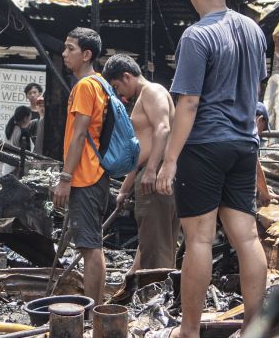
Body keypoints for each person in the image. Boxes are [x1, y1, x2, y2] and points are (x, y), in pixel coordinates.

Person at [154, 0, 269, 338]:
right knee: (247, 237)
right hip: (242, 144)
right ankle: (252, 333)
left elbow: (188, 104)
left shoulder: (197, 35)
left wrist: (169, 161)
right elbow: (256, 95)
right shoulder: (254, 31)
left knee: (199, 239)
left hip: (204, 147)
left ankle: (188, 334)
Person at [104, 54, 179, 272]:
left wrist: (152, 170)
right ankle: (137, 287)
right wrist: (124, 190)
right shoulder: (145, 97)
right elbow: (140, 152)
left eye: (117, 86)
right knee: (151, 243)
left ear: (127, 77)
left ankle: (155, 296)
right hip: (149, 174)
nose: (119, 93)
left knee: (157, 247)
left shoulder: (152, 91)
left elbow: (163, 129)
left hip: (154, 176)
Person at [51, 28, 110, 305]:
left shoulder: (86, 86)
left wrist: (65, 177)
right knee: (92, 246)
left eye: (70, 48)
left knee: (90, 247)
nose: (64, 54)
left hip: (85, 175)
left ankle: (92, 312)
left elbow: (79, 133)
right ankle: (95, 310)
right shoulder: (99, 83)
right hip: (94, 173)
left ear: (87, 55)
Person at [0, 105, 34, 179]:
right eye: (30, 118)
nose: (30, 121)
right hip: (17, 169)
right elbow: (28, 153)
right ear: (25, 118)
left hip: (7, 166)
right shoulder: (23, 132)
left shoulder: (10, 127)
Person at [25, 81, 45, 151]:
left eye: (34, 92)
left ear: (40, 94)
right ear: (27, 96)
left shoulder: (47, 112)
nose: (32, 95)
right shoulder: (25, 112)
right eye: (30, 93)